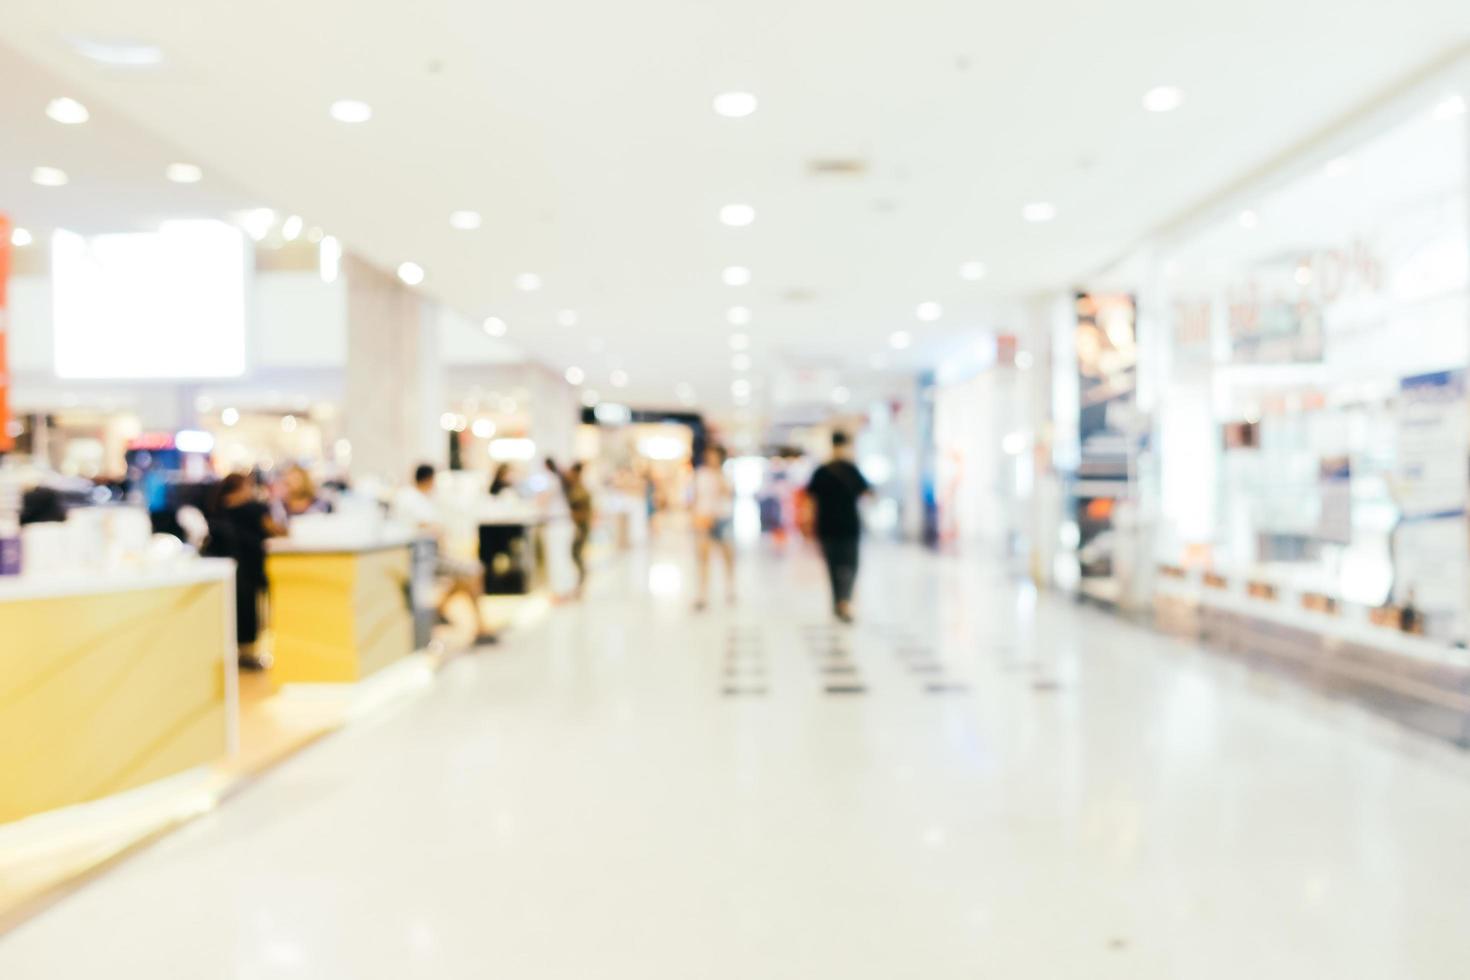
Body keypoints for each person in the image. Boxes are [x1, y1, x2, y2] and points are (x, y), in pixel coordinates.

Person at [392, 463, 498, 646]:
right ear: (430, 479)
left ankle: (444, 612)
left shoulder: (414, 498)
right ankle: (476, 625)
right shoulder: (412, 499)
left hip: (428, 556)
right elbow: (428, 527)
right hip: (425, 558)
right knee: (474, 572)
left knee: (468, 577)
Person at [203, 472, 285, 670]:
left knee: (231, 610)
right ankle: (247, 653)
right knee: (250, 610)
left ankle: (232, 651)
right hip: (251, 566)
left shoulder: (215, 512)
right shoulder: (255, 509)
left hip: (225, 568)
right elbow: (277, 531)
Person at [805, 432, 871, 623]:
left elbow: (810, 499)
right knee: (849, 565)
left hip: (828, 525)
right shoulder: (851, 469)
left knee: (835, 566)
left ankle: (840, 602)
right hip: (847, 525)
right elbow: (867, 492)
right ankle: (843, 601)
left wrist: (809, 524)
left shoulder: (822, 471)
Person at [691, 444, 735, 610]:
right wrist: (694, 516)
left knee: (727, 555)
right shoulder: (700, 474)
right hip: (704, 518)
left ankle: (730, 588)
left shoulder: (725, 474)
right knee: (703, 558)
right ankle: (702, 593)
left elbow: (728, 493)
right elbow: (695, 496)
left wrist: (719, 477)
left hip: (722, 518)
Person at [562, 462, 594, 598]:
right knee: (575, 554)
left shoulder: (580, 489)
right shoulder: (575, 487)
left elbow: (583, 509)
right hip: (579, 525)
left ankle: (580, 584)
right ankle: (579, 584)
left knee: (577, 554)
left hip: (581, 526)